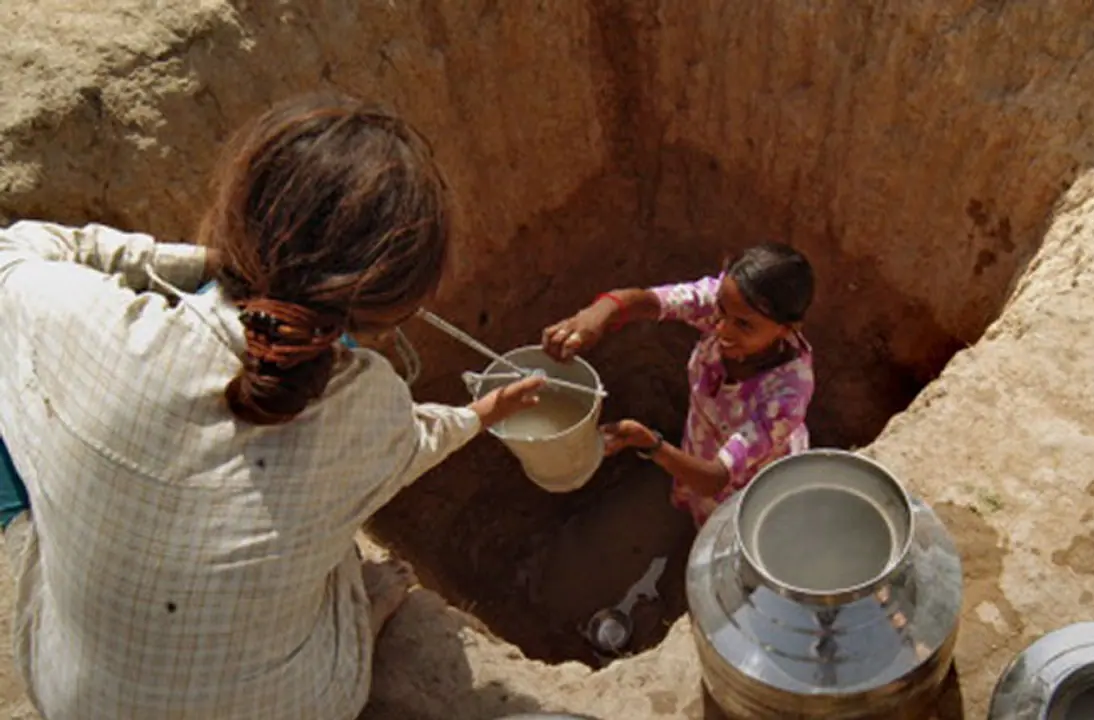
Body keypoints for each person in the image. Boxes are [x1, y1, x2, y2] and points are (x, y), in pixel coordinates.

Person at [0, 92, 543, 720]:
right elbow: (415, 443)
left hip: (78, 700)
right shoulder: (366, 405)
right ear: (387, 308)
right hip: (289, 707)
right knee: (330, 531)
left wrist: (193, 262)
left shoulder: (81, 324)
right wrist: (480, 416)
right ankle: (358, 622)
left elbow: (14, 250)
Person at [542, 243, 816, 527]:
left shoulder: (785, 397)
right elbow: (652, 301)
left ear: (788, 328)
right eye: (721, 311)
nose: (722, 329)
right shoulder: (731, 302)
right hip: (700, 443)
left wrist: (651, 445)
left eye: (744, 326)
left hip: (743, 484)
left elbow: (715, 478)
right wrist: (598, 313)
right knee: (695, 510)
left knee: (722, 540)